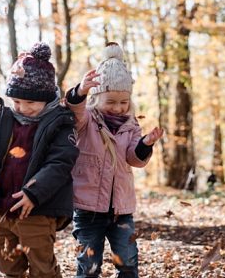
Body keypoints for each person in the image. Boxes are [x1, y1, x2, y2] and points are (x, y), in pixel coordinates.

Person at [0, 42, 79, 277]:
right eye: (17, 101)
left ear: (47, 100)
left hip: (37, 210)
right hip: (1, 208)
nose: (23, 108)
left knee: (42, 268)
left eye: (31, 103)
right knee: (9, 266)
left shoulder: (60, 123)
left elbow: (60, 163)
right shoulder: (5, 119)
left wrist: (33, 192)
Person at [65, 43, 162, 278]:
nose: (118, 108)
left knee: (128, 261)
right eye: (111, 101)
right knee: (89, 266)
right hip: (88, 209)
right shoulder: (87, 121)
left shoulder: (131, 125)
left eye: (123, 102)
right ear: (97, 98)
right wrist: (80, 91)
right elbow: (73, 109)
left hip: (121, 209)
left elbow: (134, 159)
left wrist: (145, 144)